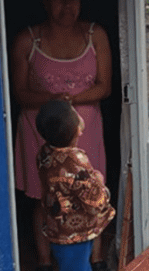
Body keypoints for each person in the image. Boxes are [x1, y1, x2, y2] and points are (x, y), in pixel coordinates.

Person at [12, 0, 113, 271]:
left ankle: (95, 259)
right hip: (40, 128)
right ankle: (45, 262)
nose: (67, 5)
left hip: (86, 127)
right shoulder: (27, 40)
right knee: (45, 198)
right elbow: (19, 93)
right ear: (45, 2)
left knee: (88, 194)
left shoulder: (95, 35)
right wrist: (54, 100)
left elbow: (104, 87)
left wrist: (68, 99)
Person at [35, 100, 116, 271]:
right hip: (76, 235)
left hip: (57, 229)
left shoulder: (44, 152)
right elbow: (95, 202)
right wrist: (100, 182)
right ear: (78, 129)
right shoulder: (76, 164)